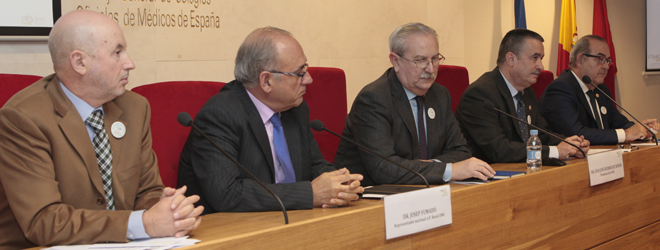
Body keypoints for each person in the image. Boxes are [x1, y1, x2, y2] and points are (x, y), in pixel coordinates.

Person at [0, 10, 203, 249]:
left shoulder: (134, 108)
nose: (130, 63)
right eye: (117, 52)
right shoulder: (23, 118)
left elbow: (147, 190)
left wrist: (167, 209)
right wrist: (143, 223)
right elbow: (44, 222)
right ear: (79, 62)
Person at [177, 27, 363, 214]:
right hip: (229, 231)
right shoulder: (220, 115)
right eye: (299, 73)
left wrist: (341, 183)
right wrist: (310, 194)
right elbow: (227, 194)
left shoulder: (295, 108)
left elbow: (313, 164)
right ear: (266, 81)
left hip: (287, 221)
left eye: (306, 69)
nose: (309, 79)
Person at [333, 23, 495, 186]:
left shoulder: (439, 94)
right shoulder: (374, 99)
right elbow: (384, 169)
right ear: (396, 61)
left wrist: (426, 168)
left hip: (423, 192)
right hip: (369, 197)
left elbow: (461, 152)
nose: (431, 69)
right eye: (420, 60)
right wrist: (448, 170)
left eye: (435, 58)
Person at [456, 29, 590, 163]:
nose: (541, 66)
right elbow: (498, 149)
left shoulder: (527, 92)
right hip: (488, 176)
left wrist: (570, 144)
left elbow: (540, 134)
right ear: (511, 59)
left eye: (541, 59)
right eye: (534, 58)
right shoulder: (480, 94)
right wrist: (554, 151)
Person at [540, 35, 659, 145]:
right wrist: (626, 134)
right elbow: (576, 133)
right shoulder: (561, 89)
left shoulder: (600, 88)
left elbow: (618, 122)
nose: (607, 66)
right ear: (580, 60)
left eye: (607, 60)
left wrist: (641, 130)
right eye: (600, 59)